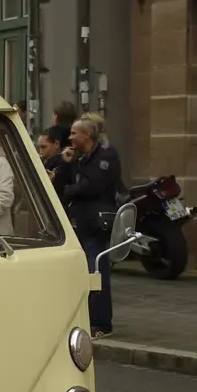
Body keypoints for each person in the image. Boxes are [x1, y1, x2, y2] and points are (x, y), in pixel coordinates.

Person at [52, 118, 121, 338]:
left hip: (96, 223)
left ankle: (101, 322)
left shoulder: (105, 156)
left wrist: (72, 188)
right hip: (79, 223)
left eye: (74, 133)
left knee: (96, 271)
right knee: (81, 272)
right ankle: (84, 317)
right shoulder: (78, 159)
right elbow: (60, 186)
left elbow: (92, 186)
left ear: (87, 136)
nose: (70, 138)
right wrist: (66, 163)